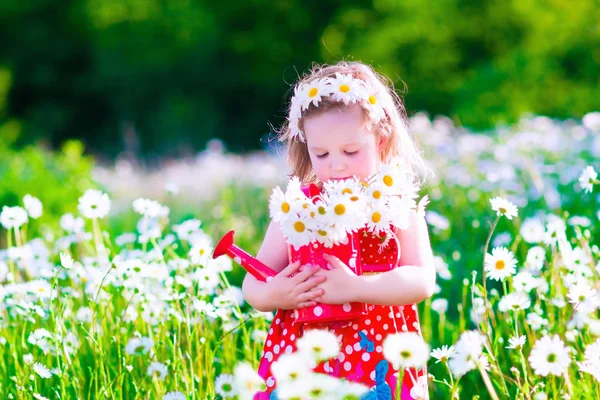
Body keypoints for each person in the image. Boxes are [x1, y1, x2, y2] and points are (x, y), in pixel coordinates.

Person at [242, 61, 436, 399]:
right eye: (321, 153)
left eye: (350, 151)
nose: (337, 164)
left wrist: (357, 287)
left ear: (381, 137)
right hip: (303, 354)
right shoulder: (297, 208)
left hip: (380, 353)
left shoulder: (396, 203)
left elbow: (422, 280)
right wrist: (275, 296)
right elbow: (254, 280)